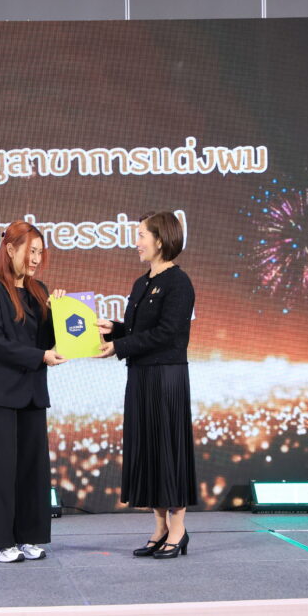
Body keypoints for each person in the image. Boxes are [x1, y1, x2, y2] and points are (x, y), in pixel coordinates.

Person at [97, 211, 196, 559]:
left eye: (141, 235)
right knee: (149, 451)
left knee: (168, 450)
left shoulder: (178, 283)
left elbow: (167, 333)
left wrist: (120, 346)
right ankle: (160, 528)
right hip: (140, 376)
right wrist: (114, 329)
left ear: (161, 239)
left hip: (166, 378)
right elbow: (139, 331)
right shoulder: (142, 283)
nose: (136, 242)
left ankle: (178, 529)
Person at [0, 220, 66, 563]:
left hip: (32, 394)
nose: (37, 259)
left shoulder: (39, 290)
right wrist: (40, 357)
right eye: (31, 251)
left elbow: (48, 341)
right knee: (1, 472)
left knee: (32, 470)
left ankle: (28, 536)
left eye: (41, 252)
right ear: (10, 249)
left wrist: (58, 315)